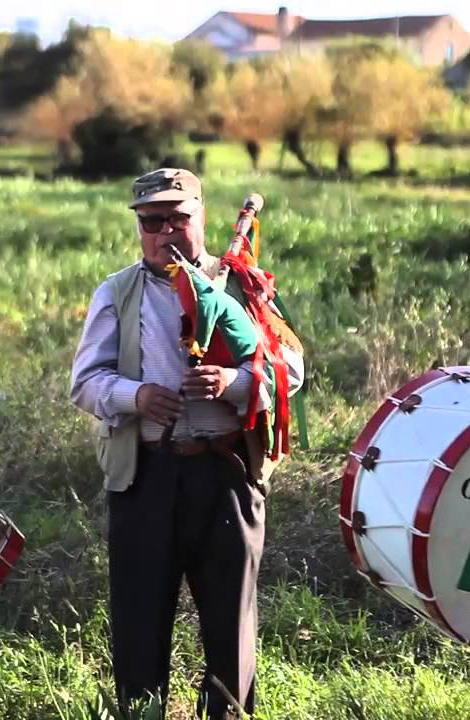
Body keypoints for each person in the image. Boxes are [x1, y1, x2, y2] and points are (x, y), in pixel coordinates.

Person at [70, 168, 303, 719]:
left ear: (200, 217)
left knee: (230, 621)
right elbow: (84, 382)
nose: (166, 232)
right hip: (145, 475)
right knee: (138, 620)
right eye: (153, 222)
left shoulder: (242, 284)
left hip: (225, 473)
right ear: (140, 228)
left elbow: (290, 369)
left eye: (179, 218)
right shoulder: (117, 292)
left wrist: (236, 383)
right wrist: (137, 396)